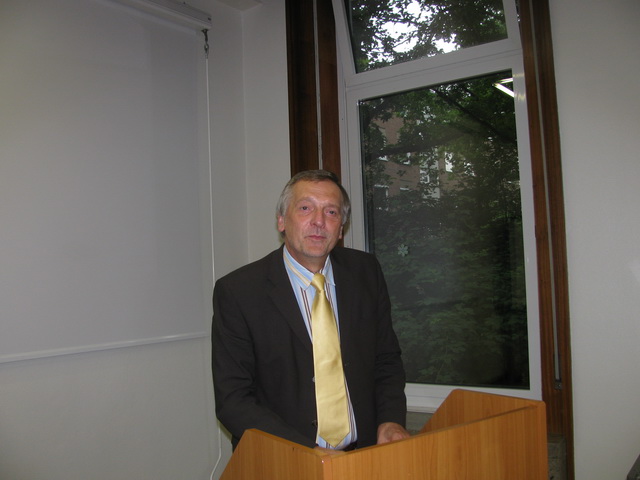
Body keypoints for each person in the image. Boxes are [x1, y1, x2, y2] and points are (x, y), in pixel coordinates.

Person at [212, 169, 410, 451]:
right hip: (284, 459)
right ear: (282, 220)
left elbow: (386, 359)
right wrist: (309, 455)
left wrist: (390, 420)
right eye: (305, 208)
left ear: (340, 229)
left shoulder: (366, 272)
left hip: (363, 454)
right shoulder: (239, 291)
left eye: (331, 212)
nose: (319, 221)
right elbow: (234, 401)